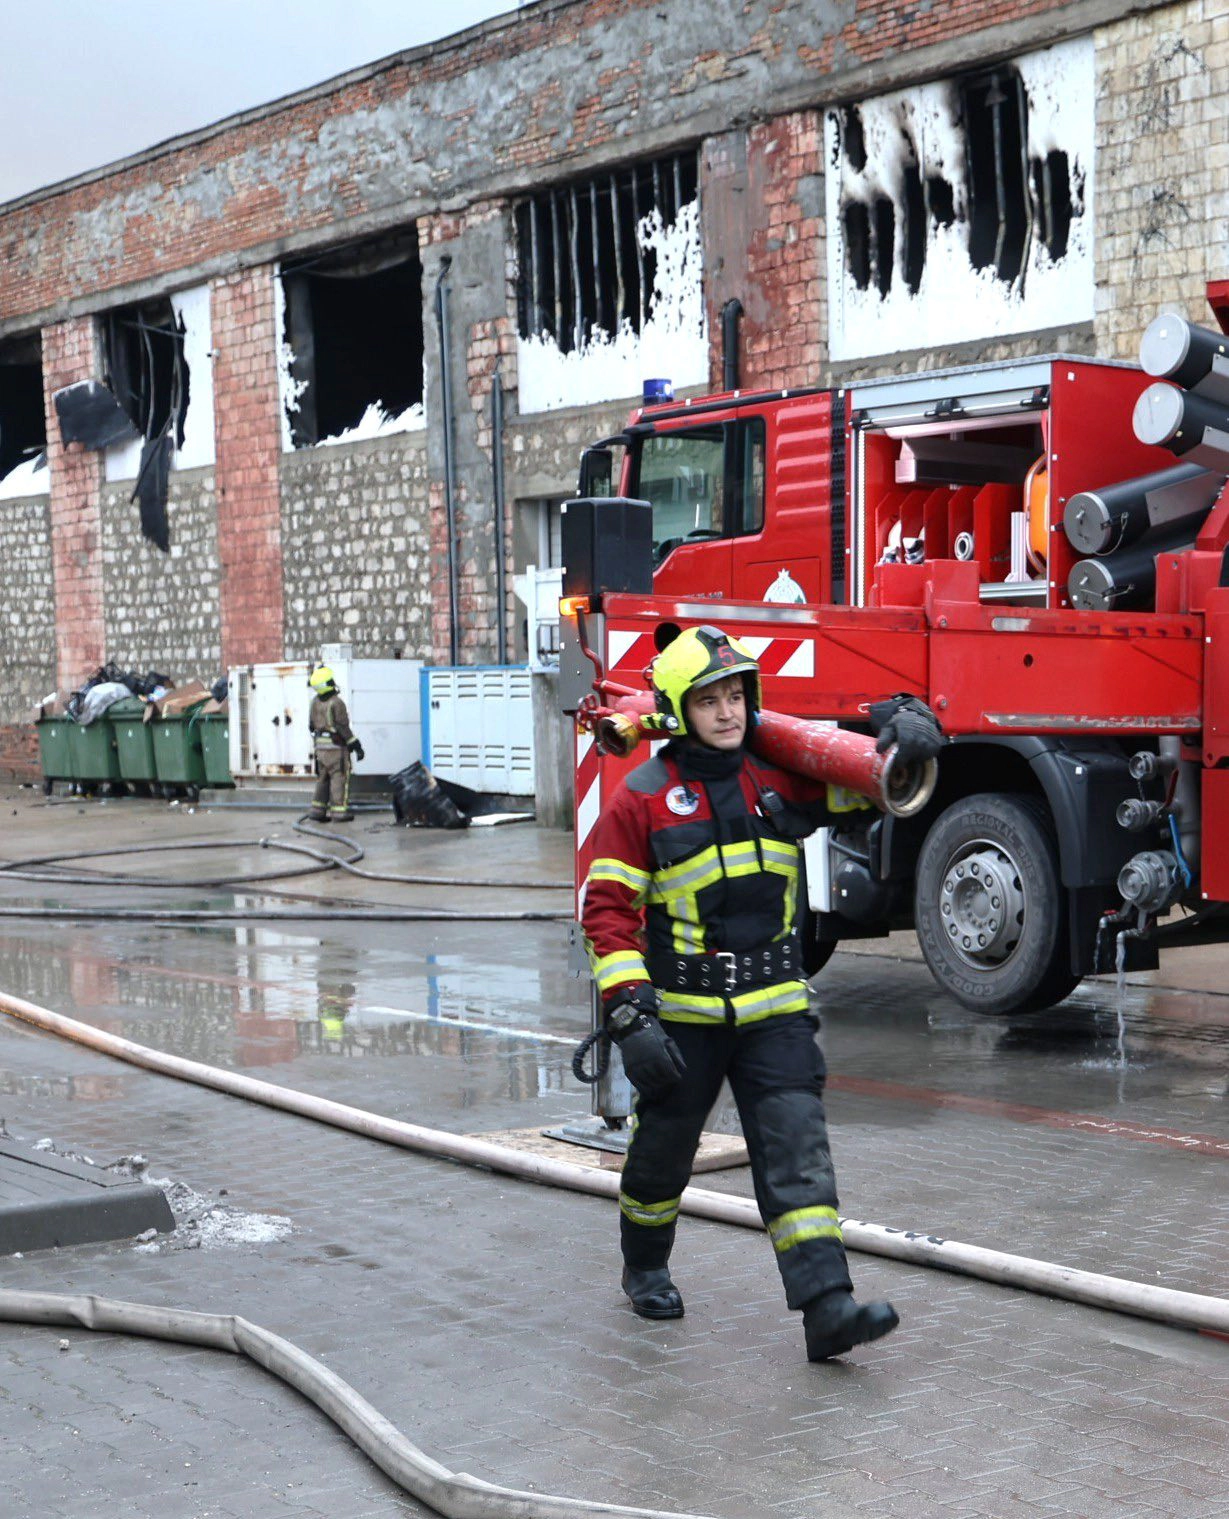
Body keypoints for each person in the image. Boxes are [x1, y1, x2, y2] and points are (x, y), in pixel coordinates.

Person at [580, 624, 942, 1361]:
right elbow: (608, 912)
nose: (727, 711)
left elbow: (876, 786)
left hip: (775, 1008)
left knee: (795, 1150)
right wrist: (627, 1012)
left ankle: (825, 1308)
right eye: (708, 699)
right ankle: (644, 1261)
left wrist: (911, 731)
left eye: (736, 694)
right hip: (682, 1019)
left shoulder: (782, 778)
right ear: (678, 708)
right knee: (662, 1153)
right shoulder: (642, 800)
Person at [307, 666, 364, 823]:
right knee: (339, 777)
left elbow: (311, 726)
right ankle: (339, 812)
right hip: (336, 749)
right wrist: (356, 746)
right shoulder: (336, 703)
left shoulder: (314, 702)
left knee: (323, 778)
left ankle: (317, 810)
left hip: (320, 749)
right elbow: (342, 727)